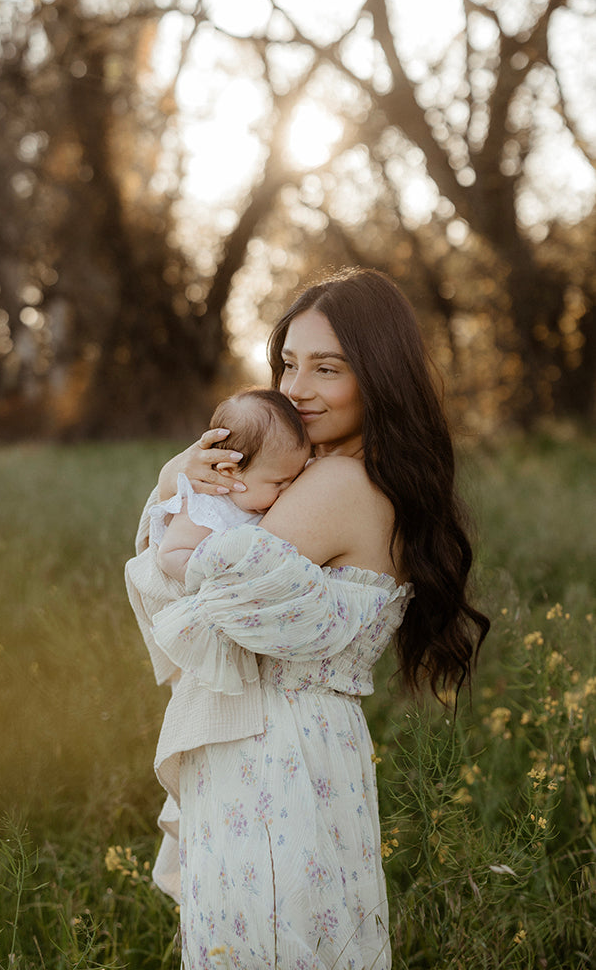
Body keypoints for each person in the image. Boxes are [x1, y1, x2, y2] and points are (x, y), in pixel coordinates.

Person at [125, 268, 489, 970]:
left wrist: (175, 487)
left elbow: (200, 615)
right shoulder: (358, 474)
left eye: (328, 368)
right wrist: (182, 480)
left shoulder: (337, 483)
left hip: (270, 751)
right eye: (289, 363)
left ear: (378, 376)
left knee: (266, 941)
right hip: (310, 749)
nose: (295, 389)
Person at [151, 388, 311, 582]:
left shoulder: (260, 490)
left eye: (295, 479)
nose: (288, 490)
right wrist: (213, 582)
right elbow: (169, 556)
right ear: (229, 471)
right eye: (279, 483)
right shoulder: (205, 511)